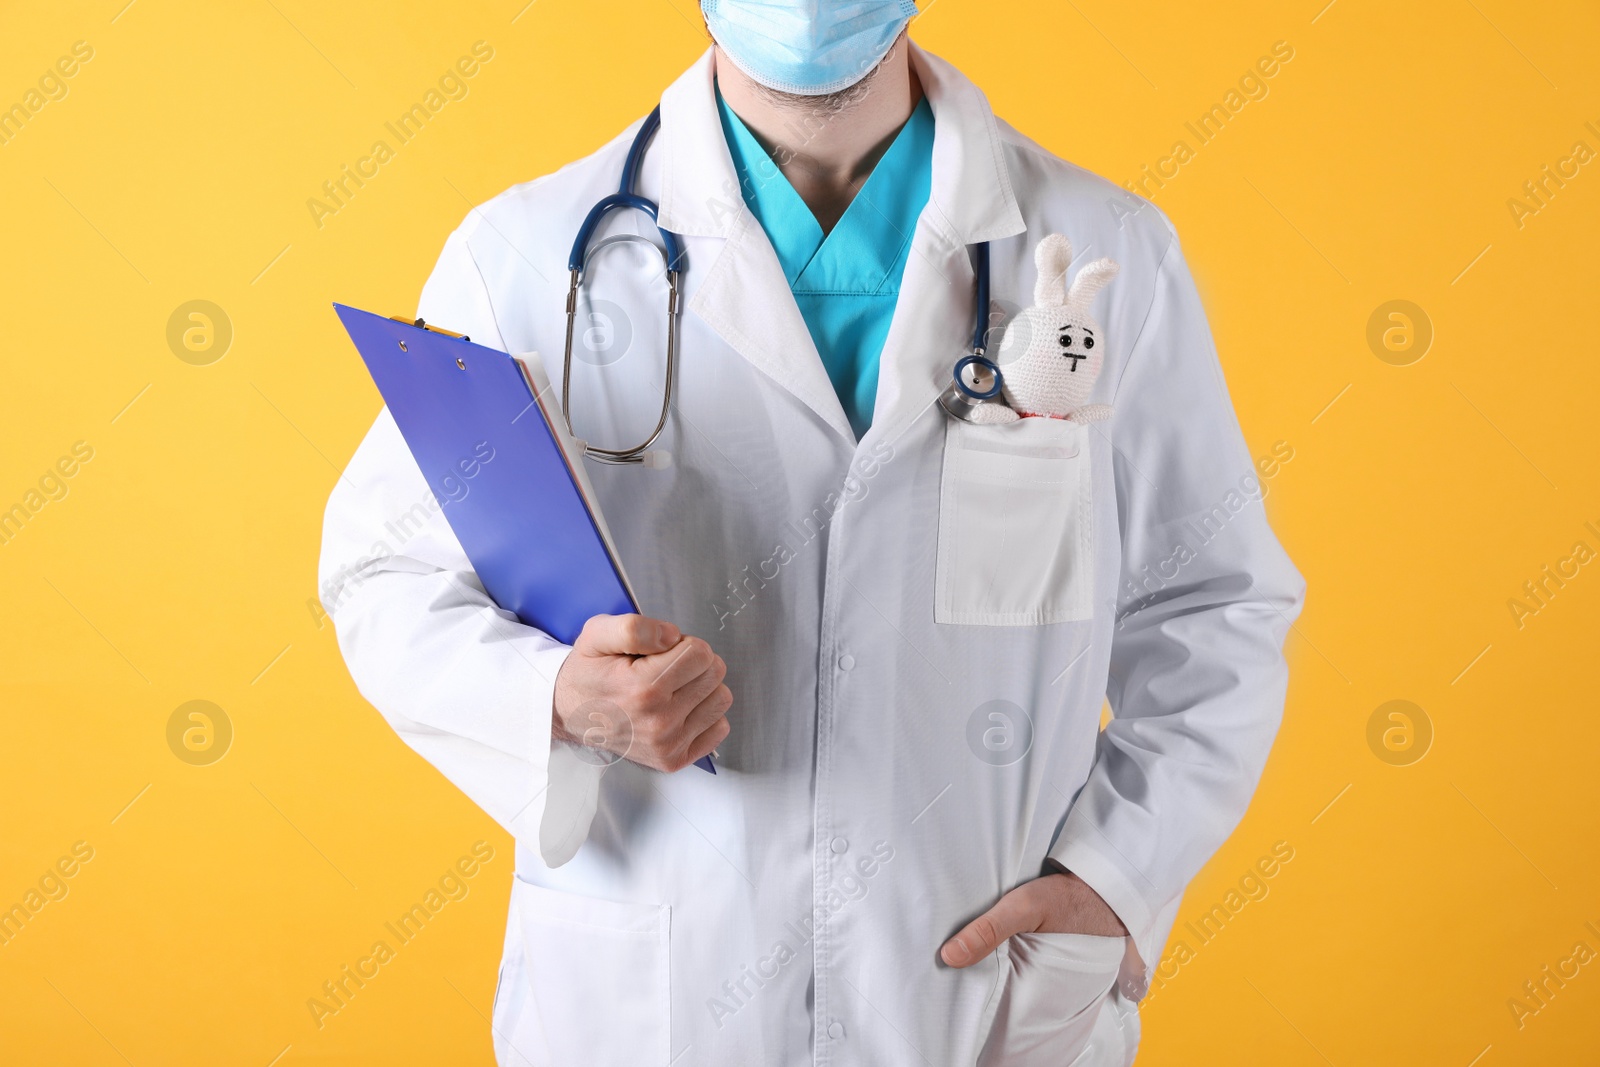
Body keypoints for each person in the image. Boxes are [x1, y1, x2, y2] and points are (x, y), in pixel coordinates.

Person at [318, 3, 1305, 1064]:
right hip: (652, 1003)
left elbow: (1214, 601)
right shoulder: (526, 253)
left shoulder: (1109, 254)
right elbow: (387, 571)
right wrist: (555, 699)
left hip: (971, 1003)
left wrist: (1115, 874)